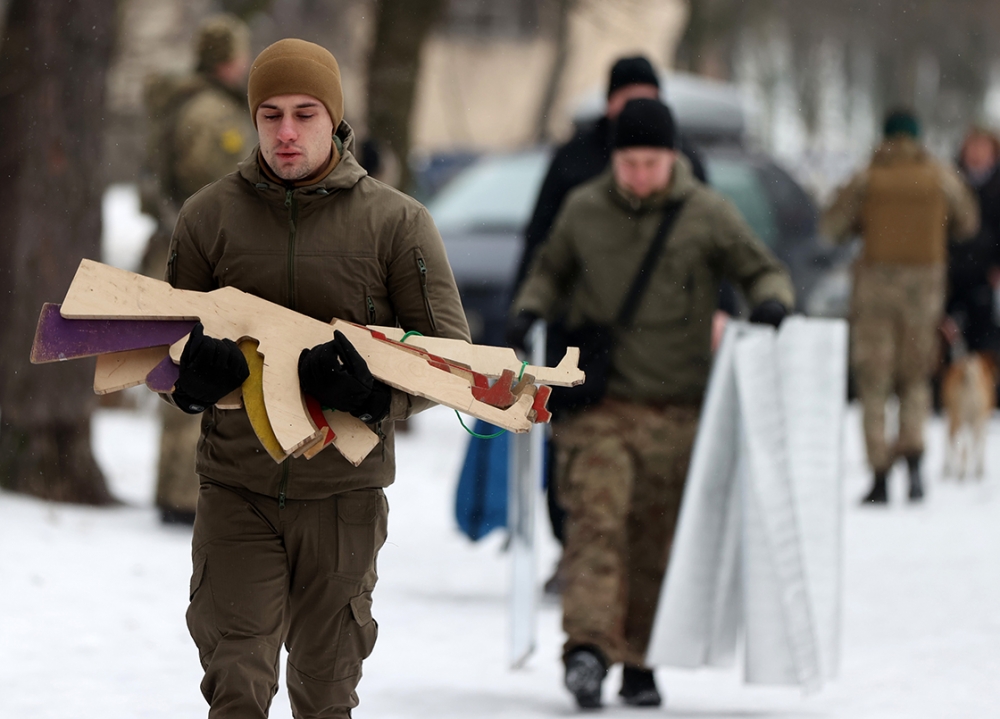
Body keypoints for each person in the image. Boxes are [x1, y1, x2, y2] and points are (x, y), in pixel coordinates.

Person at [163, 38, 470, 717]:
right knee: (236, 682)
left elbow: (451, 358)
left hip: (343, 498)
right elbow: (162, 344)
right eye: (269, 114)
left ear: (334, 116)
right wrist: (188, 379)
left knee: (325, 692)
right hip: (237, 487)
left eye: (305, 113)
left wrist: (375, 393)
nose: (287, 132)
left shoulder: (398, 224)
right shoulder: (208, 216)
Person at [507, 98, 794, 710]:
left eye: (651, 163)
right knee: (597, 525)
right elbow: (548, 270)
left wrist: (770, 304)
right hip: (600, 406)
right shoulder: (584, 210)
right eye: (629, 162)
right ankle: (586, 650)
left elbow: (762, 270)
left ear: (671, 159)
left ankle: (638, 659)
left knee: (654, 543)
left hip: (679, 412)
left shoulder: (707, 214)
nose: (639, 175)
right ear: (614, 159)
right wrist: (529, 311)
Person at [512, 56, 712, 579]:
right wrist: (525, 313)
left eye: (649, 95)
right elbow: (540, 245)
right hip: (581, 331)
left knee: (654, 453)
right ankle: (573, 546)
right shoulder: (574, 160)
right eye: (628, 97)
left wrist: (719, 312)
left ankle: (641, 559)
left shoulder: (682, 159)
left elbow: (712, 251)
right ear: (608, 103)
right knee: (573, 443)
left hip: (661, 338)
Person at [822, 109, 979, 505]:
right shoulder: (940, 176)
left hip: (874, 291)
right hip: (924, 291)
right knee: (915, 377)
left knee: (873, 382)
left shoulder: (867, 177)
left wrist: (867, 221)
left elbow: (831, 227)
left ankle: (878, 474)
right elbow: (967, 222)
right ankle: (913, 462)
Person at [139, 13, 257, 525]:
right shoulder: (214, 115)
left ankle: (174, 488)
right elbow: (224, 190)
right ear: (227, 58)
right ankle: (185, 494)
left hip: (176, 249)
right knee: (202, 364)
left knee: (181, 365)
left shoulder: (182, 104)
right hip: (201, 256)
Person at [948, 125, 1000, 354]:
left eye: (983, 147)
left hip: (987, 276)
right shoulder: (950, 182)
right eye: (972, 146)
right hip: (951, 273)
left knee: (985, 344)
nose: (977, 153)